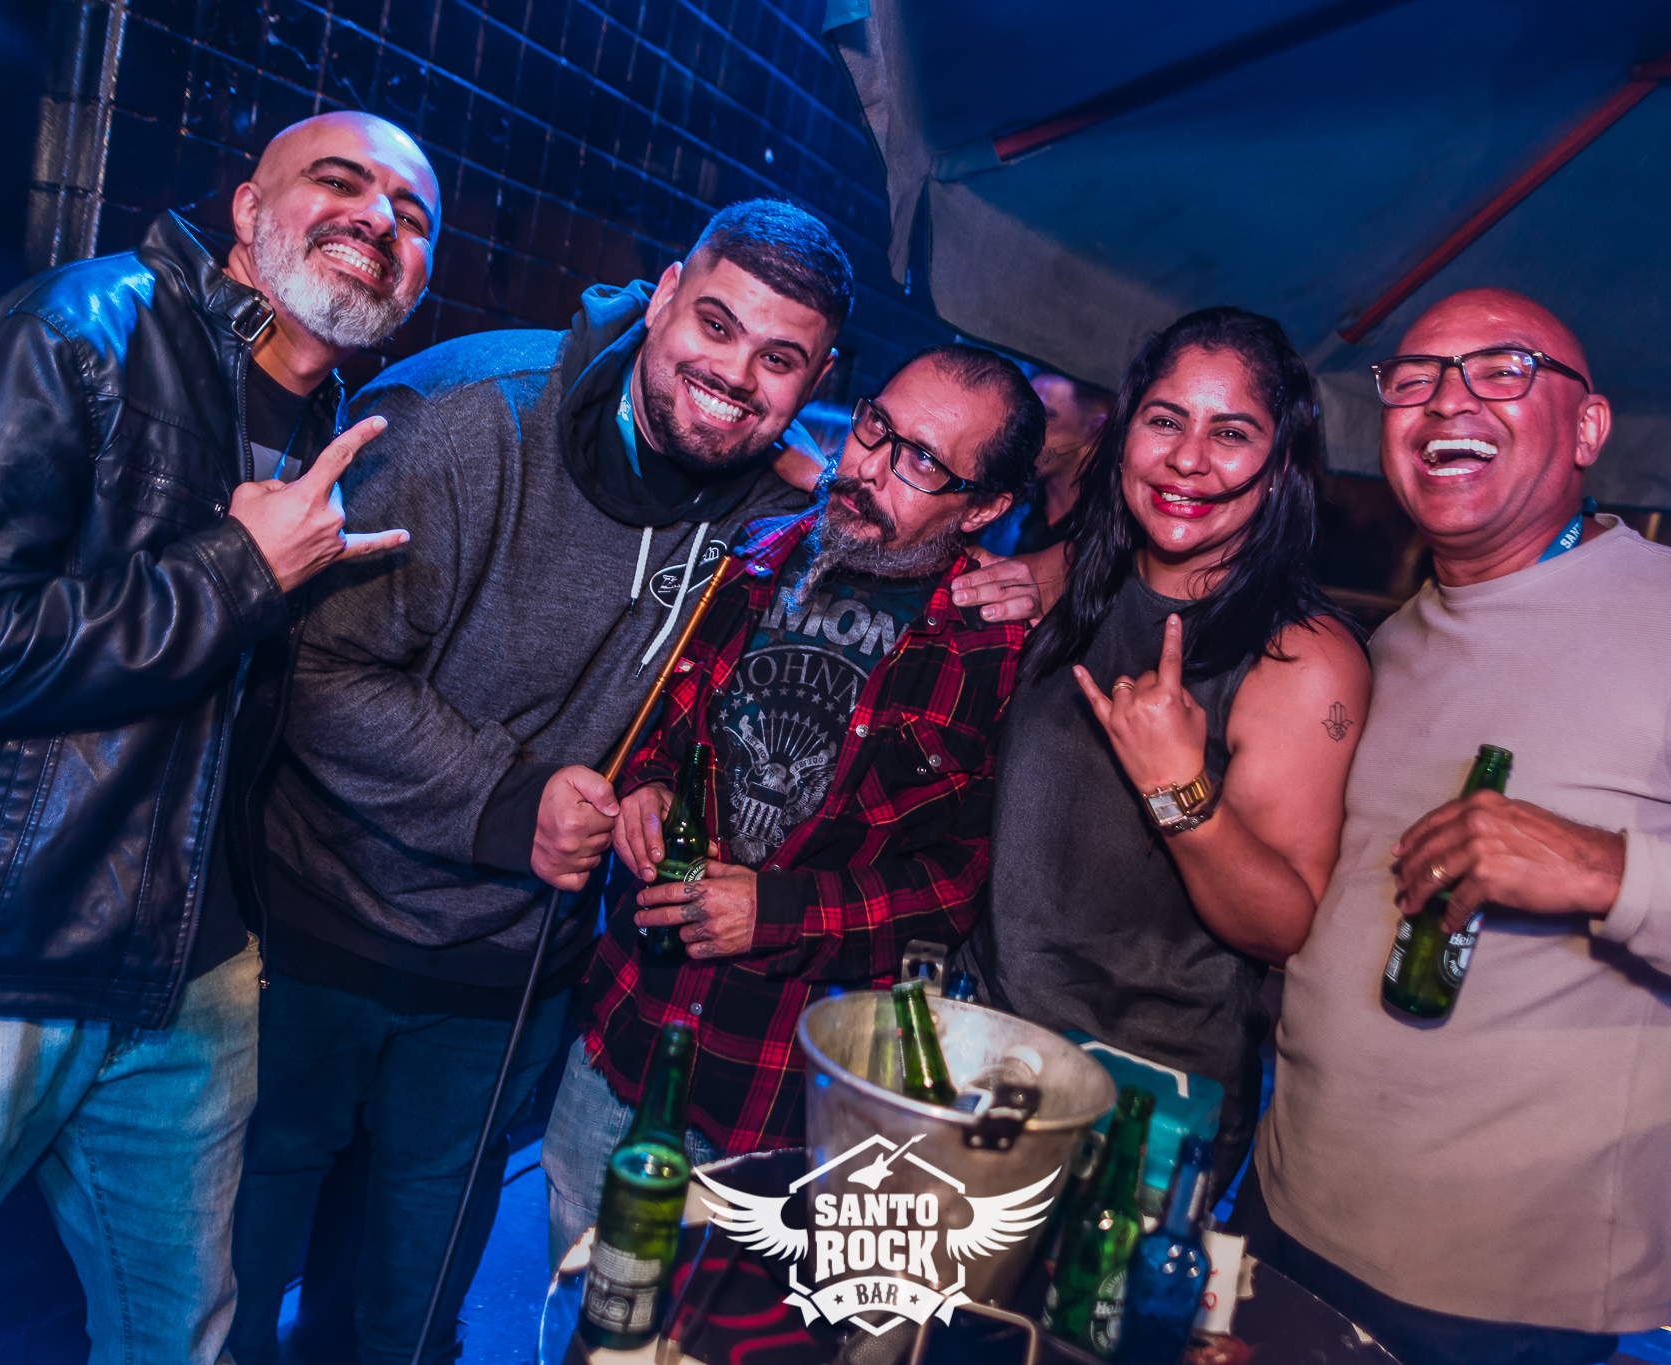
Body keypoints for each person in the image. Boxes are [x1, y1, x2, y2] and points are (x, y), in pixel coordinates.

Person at [232, 206, 1044, 1363]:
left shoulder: (894, 586)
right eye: (714, 323)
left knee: (418, 1310)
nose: (735, 375)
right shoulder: (496, 432)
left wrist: (1037, 573)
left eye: (780, 360)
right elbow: (318, 670)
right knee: (242, 1282)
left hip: (619, 1021)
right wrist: (581, 794)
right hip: (358, 940)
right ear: (661, 296)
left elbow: (961, 873)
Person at [0, 112, 437, 1365]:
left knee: (178, 1337)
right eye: (339, 183)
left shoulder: (331, 427)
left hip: (186, 976)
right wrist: (237, 569)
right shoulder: (75, 333)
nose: (377, 220)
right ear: (247, 211)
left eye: (411, 216)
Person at [1238, 288, 1671, 1365]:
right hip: (1283, 1211)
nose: (1446, 400)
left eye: (1500, 370)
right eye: (1414, 378)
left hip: (1487, 1300)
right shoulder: (1394, 640)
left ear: (1587, 428)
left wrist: (1610, 872)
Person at [542, 343, 1044, 1262]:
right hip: (627, 1033)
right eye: (875, 426)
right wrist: (644, 788)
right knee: (584, 1303)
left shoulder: (997, 651)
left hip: (786, 1104)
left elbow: (960, 883)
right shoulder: (752, 558)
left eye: (922, 461)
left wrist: (772, 911)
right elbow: (659, 723)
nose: (870, 467)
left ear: (984, 507)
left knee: (728, 1330)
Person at [957, 307, 1369, 1195]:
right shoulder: (1079, 578)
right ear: (1123, 433)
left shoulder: (1302, 659)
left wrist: (1177, 786)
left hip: (1137, 1109)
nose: (1188, 459)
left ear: (1281, 463)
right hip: (980, 1050)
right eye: (1165, 420)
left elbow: (1283, 924)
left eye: (1231, 433)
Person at [977, 368, 1112, 557]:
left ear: (1096, 429)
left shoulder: (1110, 531)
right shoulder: (1010, 503)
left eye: (1045, 417)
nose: (1024, 432)